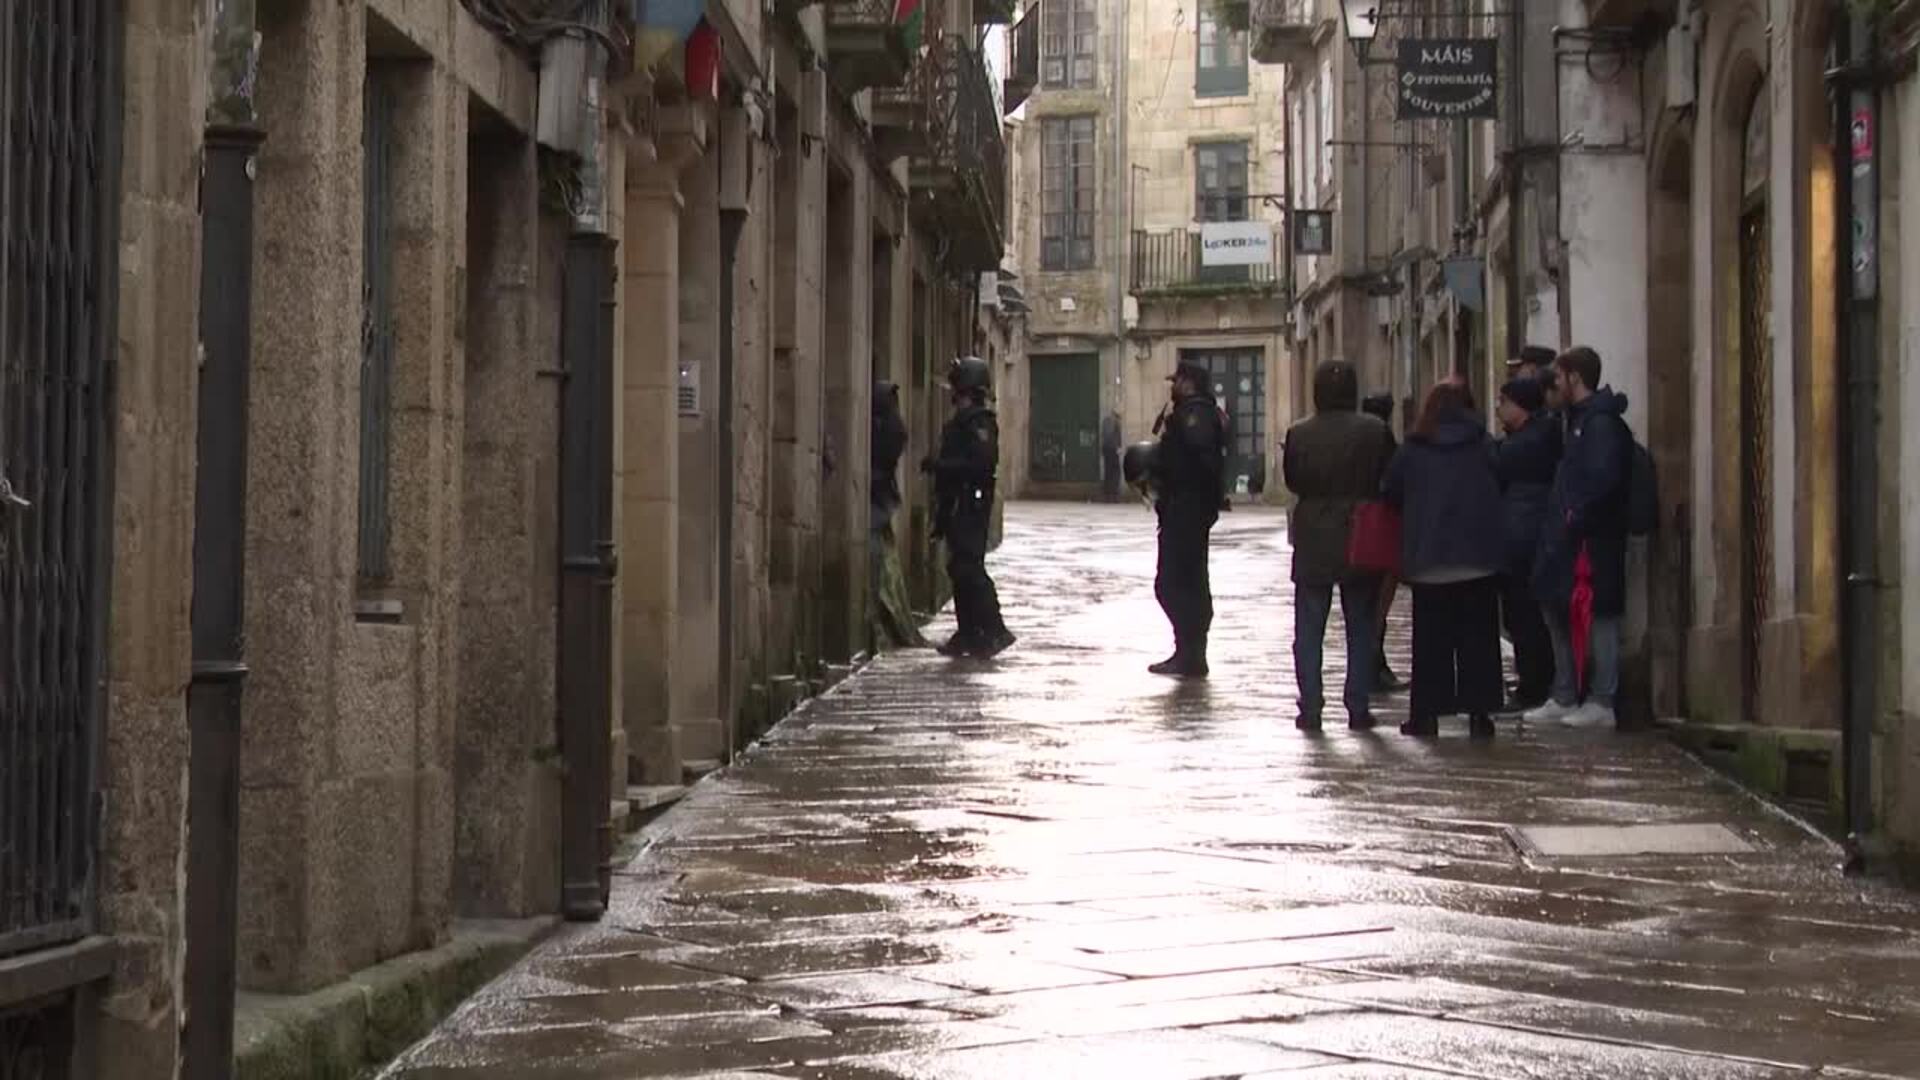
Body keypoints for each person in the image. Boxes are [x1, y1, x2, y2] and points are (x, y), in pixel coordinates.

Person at [1382, 381, 1507, 739]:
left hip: (1429, 557)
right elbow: (1501, 478)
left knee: (1431, 642)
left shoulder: (1414, 448)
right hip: (1477, 556)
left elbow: (1390, 490)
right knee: (1479, 639)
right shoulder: (1483, 444)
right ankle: (1480, 714)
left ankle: (1426, 715)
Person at [1281, 360, 1395, 731]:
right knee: (1361, 624)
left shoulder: (1299, 433)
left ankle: (1311, 705)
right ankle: (1358, 705)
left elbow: (1294, 479)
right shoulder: (1375, 430)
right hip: (1360, 531)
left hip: (1314, 532)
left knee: (1310, 627)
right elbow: (1388, 475)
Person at [1527, 346, 1632, 728]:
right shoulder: (1576, 421)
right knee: (1560, 608)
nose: (1553, 383)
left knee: (1600, 613)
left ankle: (1602, 699)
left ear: (1574, 377)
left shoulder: (1599, 424)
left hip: (1593, 539)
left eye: (1558, 375)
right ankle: (1566, 692)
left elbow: (1602, 479)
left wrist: (1575, 515)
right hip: (1572, 537)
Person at [922, 356, 1015, 658]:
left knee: (970, 567)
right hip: (956, 502)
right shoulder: (962, 422)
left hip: (971, 502)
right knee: (958, 568)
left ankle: (995, 630)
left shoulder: (980, 423)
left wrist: (942, 466)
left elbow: (980, 464)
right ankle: (969, 632)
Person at [1148, 360, 1227, 678]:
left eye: (1177, 380)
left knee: (1174, 583)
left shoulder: (1196, 415)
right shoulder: (1193, 413)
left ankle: (1191, 652)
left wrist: (1199, 502)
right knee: (1183, 582)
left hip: (1186, 509)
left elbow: (1200, 461)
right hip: (1181, 508)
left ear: (1189, 382)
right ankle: (1187, 652)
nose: (1172, 385)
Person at [1491, 376, 1560, 709]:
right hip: (1526, 538)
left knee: (1524, 616)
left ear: (1519, 406)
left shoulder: (1522, 446)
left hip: (1523, 542)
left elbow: (1498, 470)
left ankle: (1533, 686)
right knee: (1524, 616)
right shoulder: (1539, 436)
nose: (1498, 408)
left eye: (1503, 402)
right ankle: (1534, 681)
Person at [869, 381, 926, 649]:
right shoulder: (891, 425)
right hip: (880, 501)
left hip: (877, 502)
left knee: (882, 568)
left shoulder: (890, 428)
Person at [1360, 391, 1406, 694]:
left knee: (1365, 602)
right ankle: (1373, 667)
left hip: (1357, 525)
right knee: (1378, 604)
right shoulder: (1383, 440)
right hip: (1380, 524)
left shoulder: (1355, 438)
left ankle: (1368, 667)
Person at [1100, 410, 1124, 503]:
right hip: (1112, 450)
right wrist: (1118, 448)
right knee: (1114, 472)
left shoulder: (1106, 422)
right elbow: (1115, 438)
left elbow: (1104, 437)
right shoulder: (1115, 424)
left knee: (1109, 472)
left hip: (1107, 450)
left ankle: (1108, 494)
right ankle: (1113, 494)